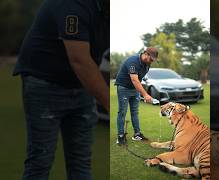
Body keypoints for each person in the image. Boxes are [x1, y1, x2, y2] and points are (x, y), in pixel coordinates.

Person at [12, 0, 109, 179]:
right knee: (40, 161)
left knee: (81, 162)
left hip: (80, 85)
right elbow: (79, 61)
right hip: (44, 83)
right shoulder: (72, 5)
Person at [114, 47, 158, 145]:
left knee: (135, 112)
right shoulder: (133, 61)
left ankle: (137, 134)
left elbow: (139, 79)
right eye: (151, 59)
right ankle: (120, 136)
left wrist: (143, 93)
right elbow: (134, 79)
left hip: (134, 89)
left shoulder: (147, 64)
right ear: (145, 54)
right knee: (122, 112)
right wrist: (145, 95)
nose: (152, 61)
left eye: (153, 60)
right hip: (123, 88)